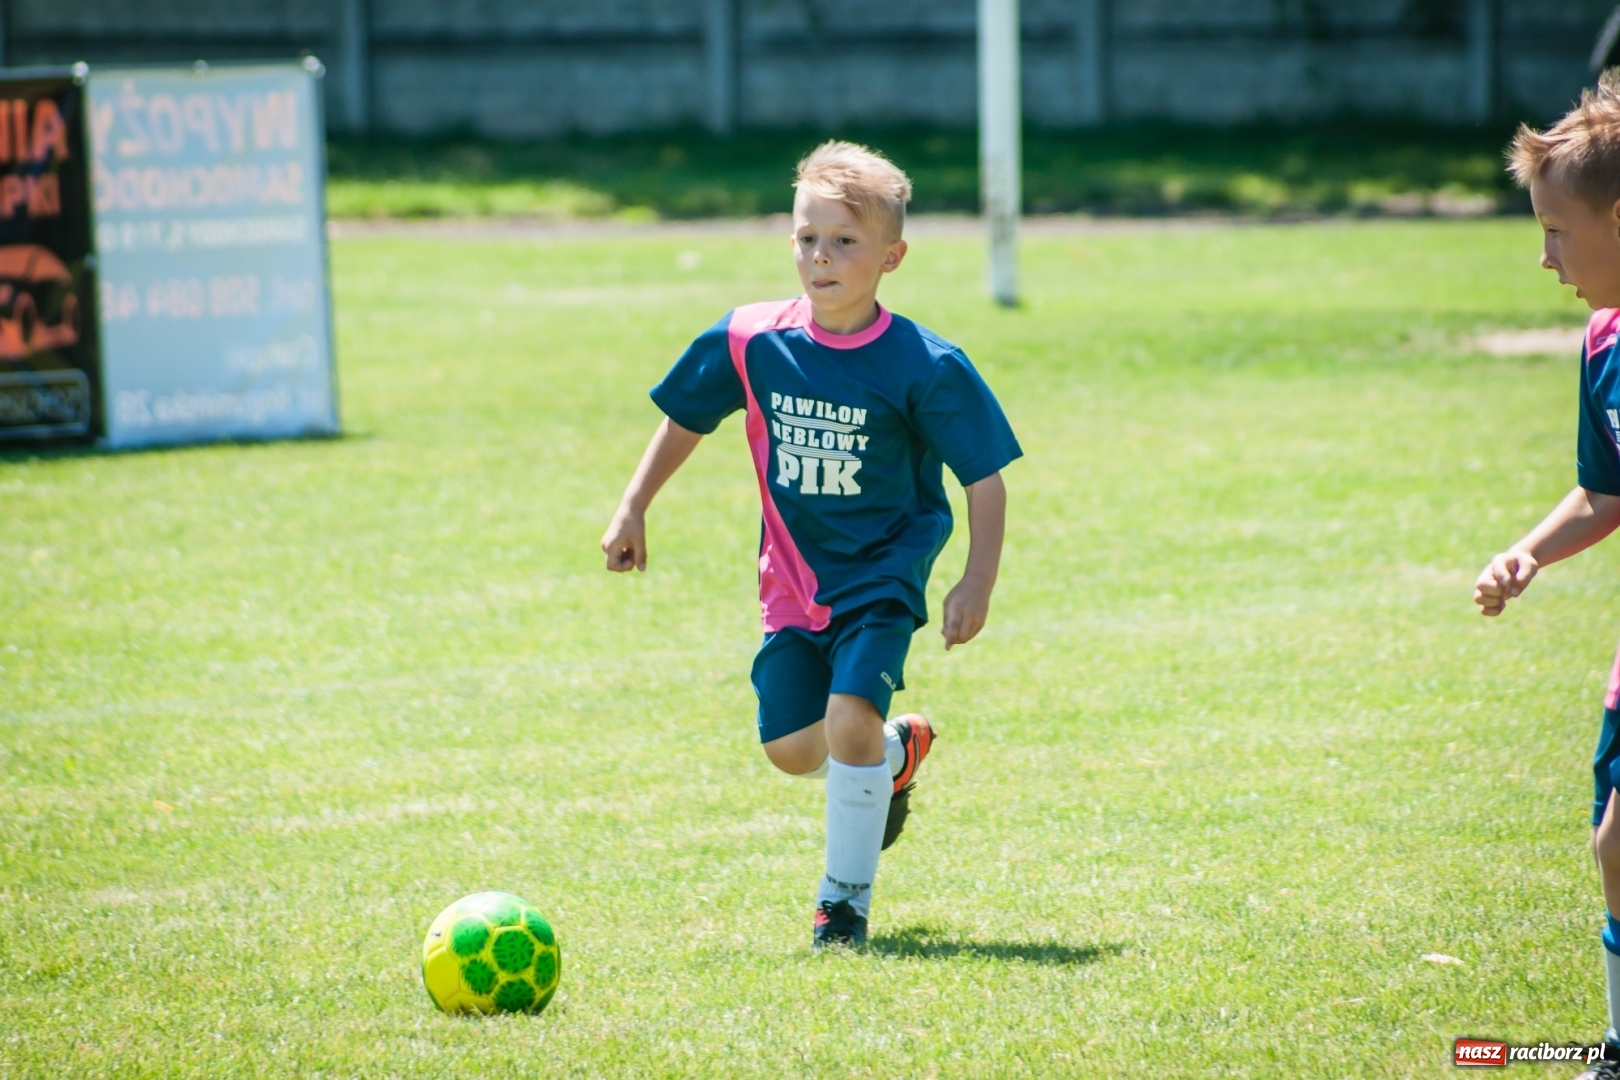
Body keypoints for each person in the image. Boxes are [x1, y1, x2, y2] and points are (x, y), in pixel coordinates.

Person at [600, 140, 1021, 948]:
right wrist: (634, 505)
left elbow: (985, 480)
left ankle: (843, 903)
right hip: (792, 583)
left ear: (892, 256)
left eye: (844, 242)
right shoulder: (751, 339)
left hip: (885, 572)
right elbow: (688, 414)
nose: (820, 258)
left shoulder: (925, 365)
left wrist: (976, 582)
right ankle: (893, 758)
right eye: (806, 239)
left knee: (849, 717)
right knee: (796, 750)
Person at [1476, 71, 1620, 1078]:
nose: (1545, 257)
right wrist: (1530, 549)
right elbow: (1604, 494)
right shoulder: (1605, 341)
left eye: (1560, 232)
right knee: (1615, 852)